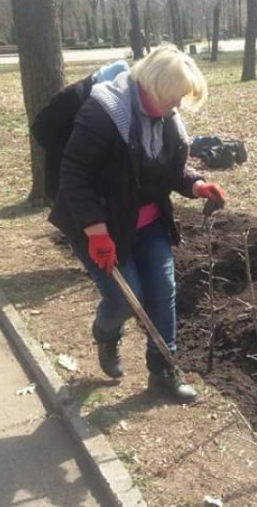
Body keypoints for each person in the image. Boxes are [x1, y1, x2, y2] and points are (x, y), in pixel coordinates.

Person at [48, 45, 226, 402]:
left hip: (149, 223)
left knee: (162, 292)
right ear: (153, 86)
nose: (176, 106)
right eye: (172, 97)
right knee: (124, 299)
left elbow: (164, 167)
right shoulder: (104, 112)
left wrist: (196, 185)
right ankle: (106, 333)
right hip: (100, 225)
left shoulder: (167, 116)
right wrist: (96, 232)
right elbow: (73, 175)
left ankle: (163, 374)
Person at [31, 60, 129, 199]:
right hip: (63, 175)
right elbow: (40, 128)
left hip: (90, 178)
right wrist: (72, 150)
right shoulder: (71, 96)